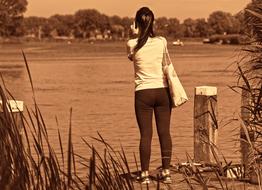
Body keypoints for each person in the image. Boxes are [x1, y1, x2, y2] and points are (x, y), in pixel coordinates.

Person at [126, 7, 172, 184]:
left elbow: (132, 58)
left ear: (136, 23)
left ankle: (144, 175)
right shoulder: (162, 42)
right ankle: (166, 173)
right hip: (162, 92)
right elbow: (165, 62)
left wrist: (133, 34)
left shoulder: (132, 44)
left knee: (146, 135)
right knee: (164, 133)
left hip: (143, 93)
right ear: (153, 22)